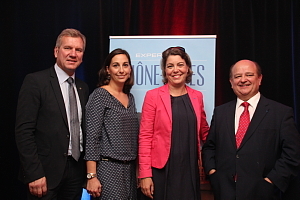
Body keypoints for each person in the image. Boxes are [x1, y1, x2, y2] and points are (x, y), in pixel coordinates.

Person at [202, 59, 300, 200]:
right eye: (237, 76)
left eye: (249, 75)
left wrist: (271, 181)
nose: (243, 80)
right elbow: (210, 146)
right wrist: (212, 172)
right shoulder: (221, 112)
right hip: (225, 191)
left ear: (259, 79)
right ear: (231, 82)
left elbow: (292, 153)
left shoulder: (280, 113)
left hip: (263, 193)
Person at [15, 28, 89, 199]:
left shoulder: (83, 87)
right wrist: (33, 173)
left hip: (76, 173)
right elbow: (24, 131)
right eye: (67, 48)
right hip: (45, 174)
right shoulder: (35, 82)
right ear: (56, 51)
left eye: (78, 50)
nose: (73, 54)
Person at [138, 46, 209, 199]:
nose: (175, 70)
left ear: (188, 68)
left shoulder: (197, 97)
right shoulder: (153, 96)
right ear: (165, 71)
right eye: (170, 66)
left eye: (180, 64)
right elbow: (145, 137)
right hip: (162, 170)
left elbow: (205, 131)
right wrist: (145, 175)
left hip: (189, 169)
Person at [84, 48, 139, 199]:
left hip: (130, 170)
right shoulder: (100, 95)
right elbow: (92, 138)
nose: (121, 70)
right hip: (108, 169)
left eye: (125, 65)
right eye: (116, 65)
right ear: (108, 70)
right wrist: (91, 176)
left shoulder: (130, 97)